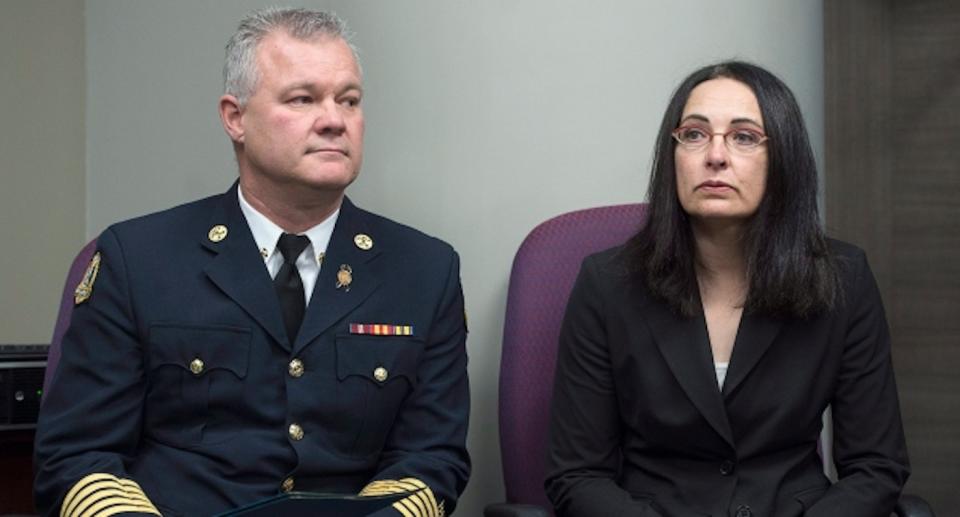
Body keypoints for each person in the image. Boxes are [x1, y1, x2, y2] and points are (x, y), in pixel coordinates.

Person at [34, 8, 469, 517]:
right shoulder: (140, 260)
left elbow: (430, 458)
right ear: (235, 117)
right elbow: (77, 454)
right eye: (303, 99)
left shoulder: (424, 270)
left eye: (348, 100)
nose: (334, 119)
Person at [545, 61, 909, 517]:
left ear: (784, 160)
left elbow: (876, 467)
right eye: (695, 134)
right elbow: (577, 475)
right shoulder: (607, 283)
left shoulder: (843, 277)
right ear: (672, 154)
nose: (715, 155)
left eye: (743, 137)